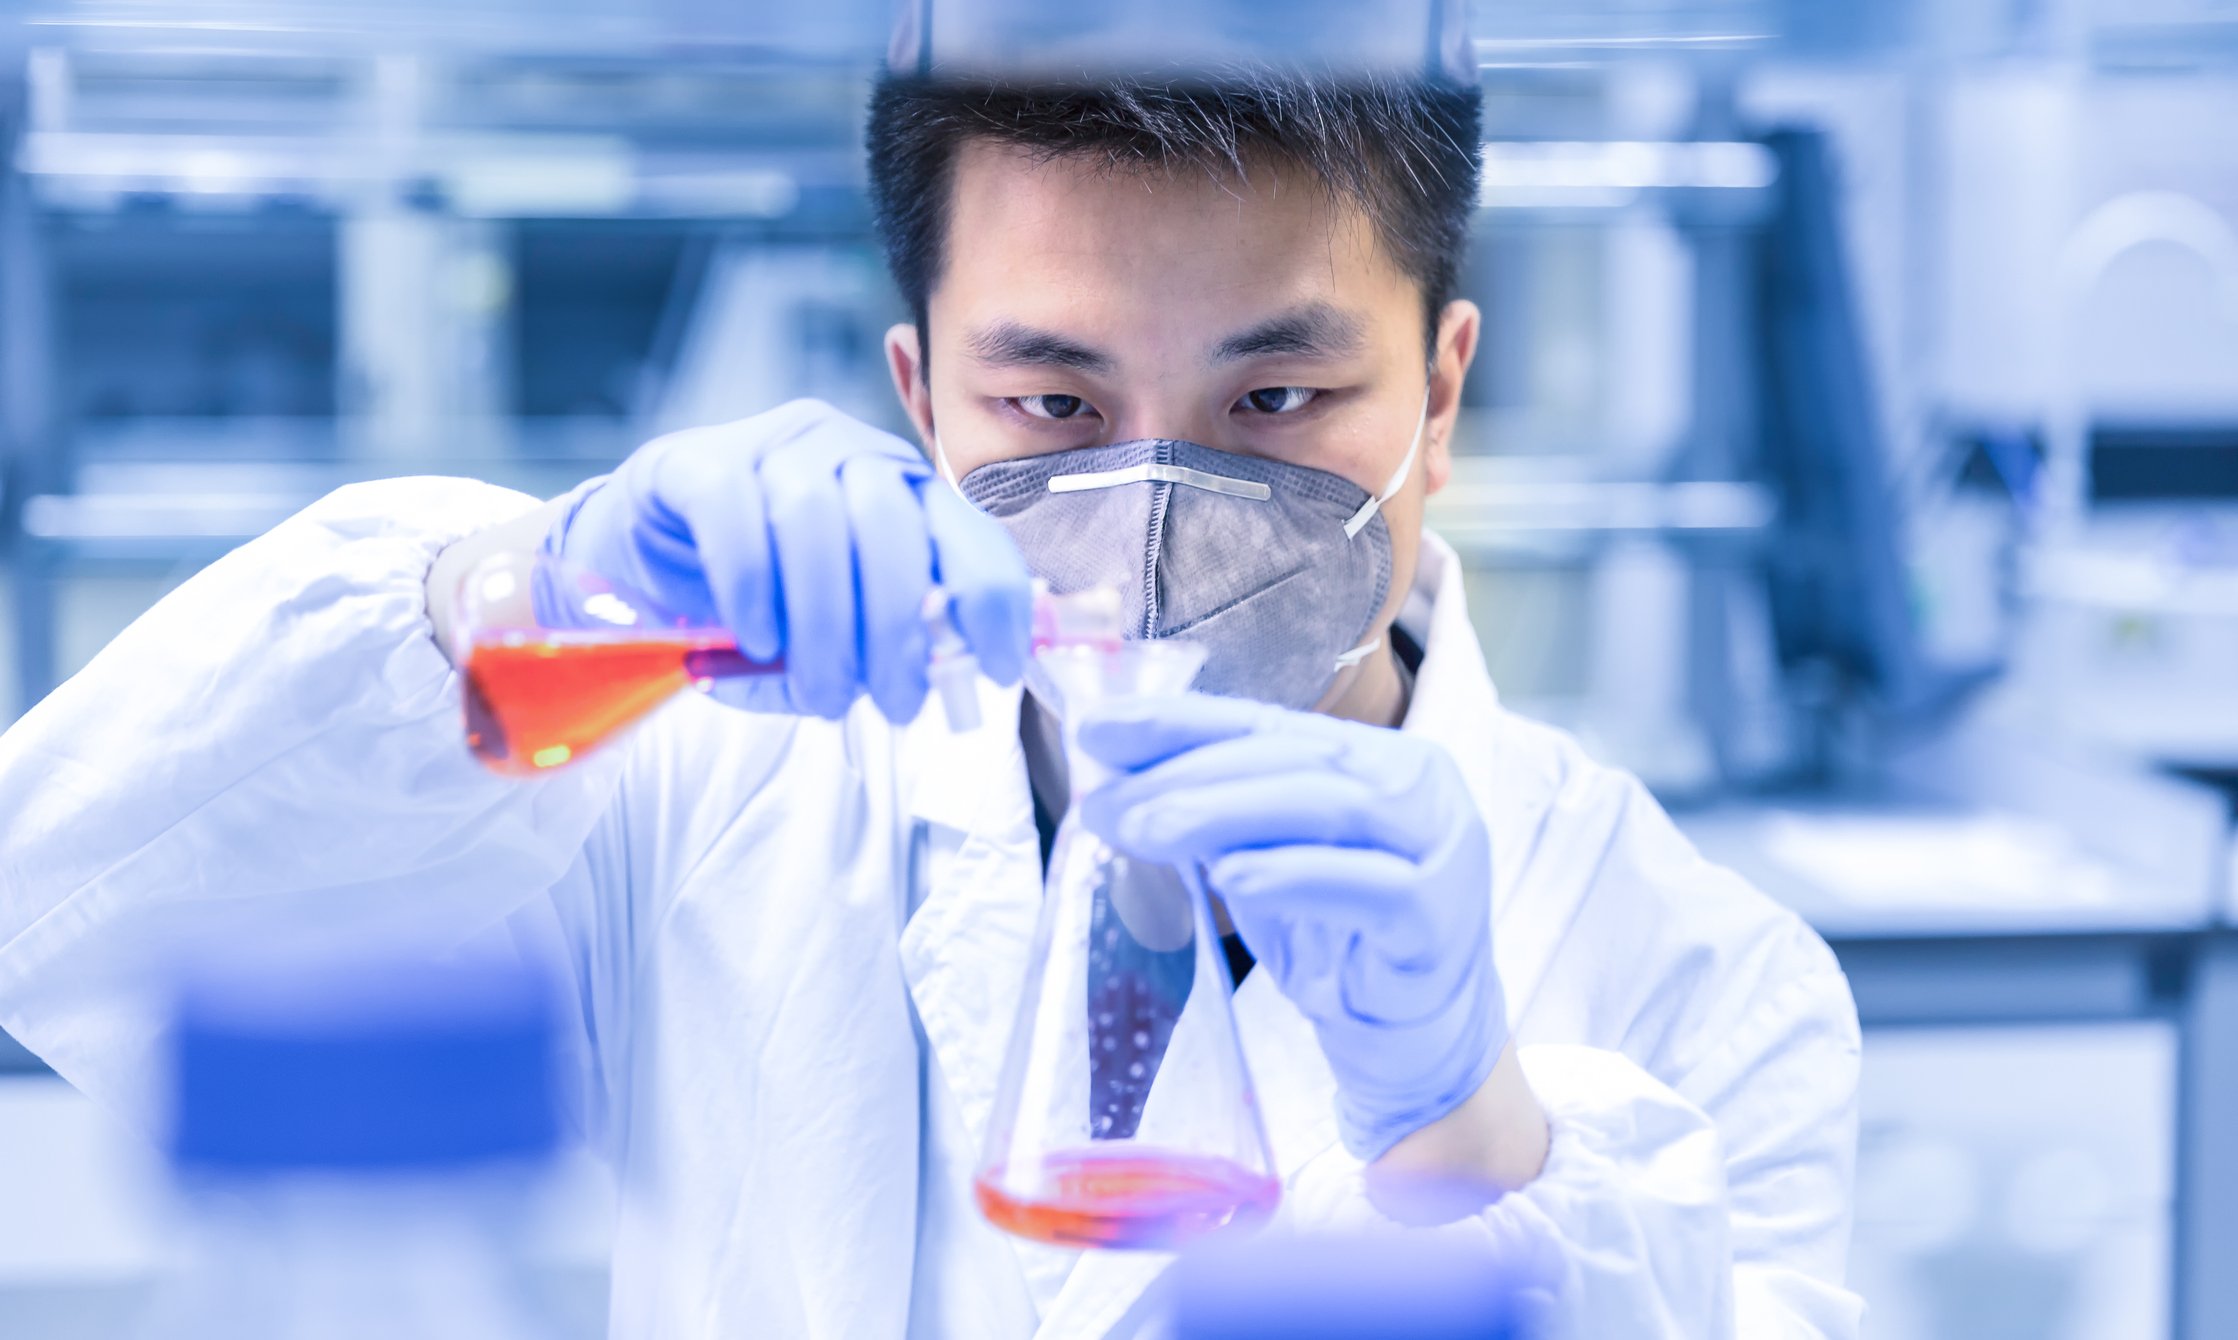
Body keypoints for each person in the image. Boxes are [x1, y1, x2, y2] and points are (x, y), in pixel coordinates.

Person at [0, 64, 1862, 1340]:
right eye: (1052, 406)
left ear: (1442, 392)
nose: (1154, 513)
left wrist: (1471, 1141)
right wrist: (520, 603)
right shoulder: (713, 797)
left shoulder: (1702, 976)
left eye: (1276, 403)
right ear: (917, 395)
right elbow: (69, 904)